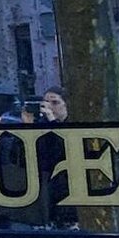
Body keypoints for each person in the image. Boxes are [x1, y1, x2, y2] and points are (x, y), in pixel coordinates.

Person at [33, 85, 78, 229]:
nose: (50, 107)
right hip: (49, 187)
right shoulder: (42, 125)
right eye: (46, 103)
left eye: (55, 103)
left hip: (70, 186)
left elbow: (66, 148)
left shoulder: (73, 124)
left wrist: (53, 121)